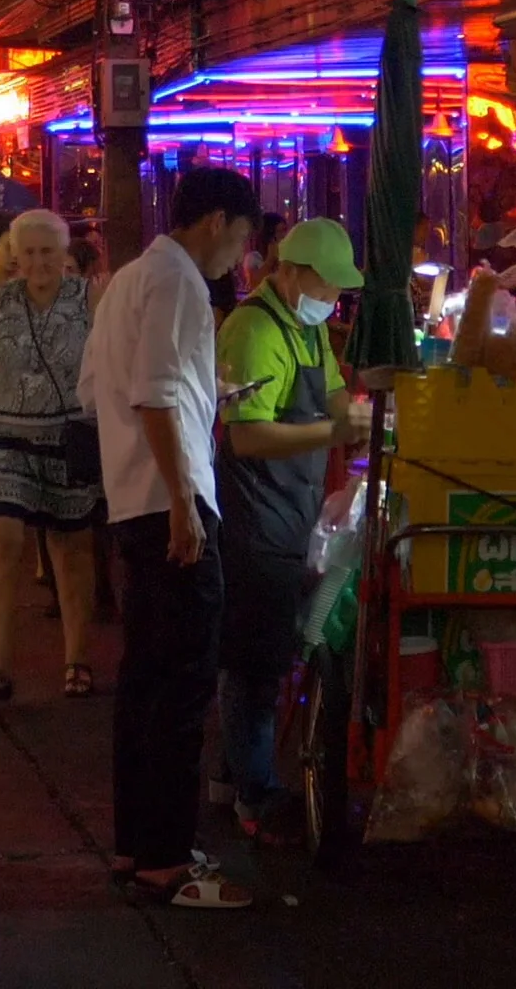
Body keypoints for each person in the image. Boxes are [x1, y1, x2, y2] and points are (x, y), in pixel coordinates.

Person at [79, 164, 261, 909]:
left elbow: (104, 390)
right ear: (217, 221)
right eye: (243, 238)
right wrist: (185, 503)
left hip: (131, 499)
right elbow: (153, 393)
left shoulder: (128, 279)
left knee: (145, 682)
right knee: (183, 685)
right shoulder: (183, 281)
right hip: (169, 506)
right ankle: (169, 862)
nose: (240, 258)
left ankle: (137, 847)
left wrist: (203, 393)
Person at [214, 215, 368, 842]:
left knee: (275, 648)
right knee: (254, 661)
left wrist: (368, 415)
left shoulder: (307, 334)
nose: (332, 302)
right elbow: (247, 434)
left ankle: (235, 774)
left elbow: (334, 396)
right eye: (328, 287)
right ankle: (254, 796)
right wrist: (336, 432)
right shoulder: (253, 329)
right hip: (253, 512)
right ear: (294, 272)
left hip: (294, 505)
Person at [0, 209, 103, 702]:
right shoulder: (0, 299)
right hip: (4, 432)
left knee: (70, 547)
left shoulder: (89, 299)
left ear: (64, 255)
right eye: (28, 253)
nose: (38, 262)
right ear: (14, 256)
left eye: (47, 252)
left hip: (68, 433)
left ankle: (77, 659)